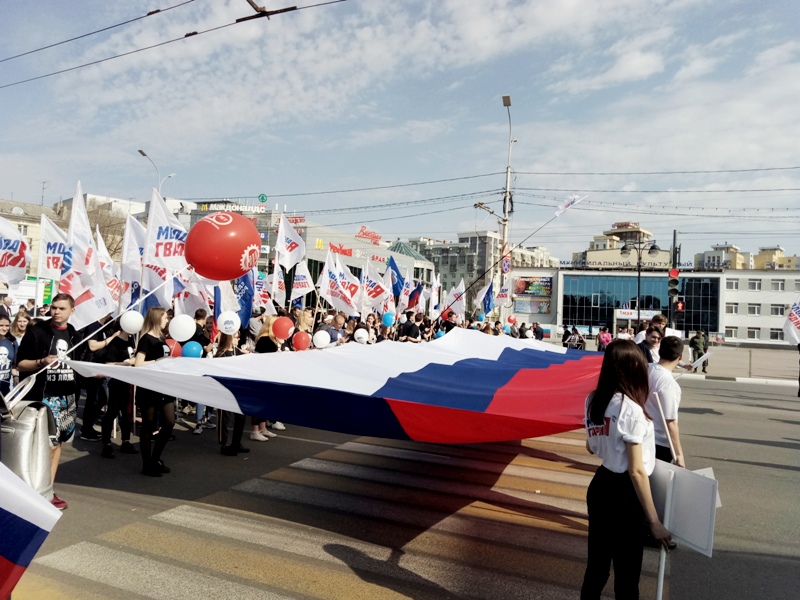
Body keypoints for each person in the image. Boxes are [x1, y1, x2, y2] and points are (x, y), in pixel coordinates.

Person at [581, 340, 672, 599]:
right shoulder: (630, 409)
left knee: (597, 567)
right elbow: (636, 471)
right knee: (627, 573)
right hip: (625, 494)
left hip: (601, 486)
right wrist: (654, 522)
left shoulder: (592, 399)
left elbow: (590, 446)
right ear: (632, 368)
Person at [16, 293, 80, 509]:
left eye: (61, 308)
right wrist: (42, 361)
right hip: (44, 397)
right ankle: (37, 492)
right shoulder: (37, 332)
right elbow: (21, 364)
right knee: (49, 446)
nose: (56, 312)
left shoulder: (73, 334)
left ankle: (48, 490)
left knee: (58, 443)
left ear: (72, 310)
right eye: (54, 308)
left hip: (68, 397)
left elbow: (80, 363)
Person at [134, 307, 175, 477]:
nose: (167, 321)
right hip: (149, 388)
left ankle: (155, 459)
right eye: (165, 318)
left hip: (164, 386)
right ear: (158, 318)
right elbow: (138, 363)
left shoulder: (162, 337)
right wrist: (157, 362)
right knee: (148, 426)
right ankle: (147, 465)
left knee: (170, 422)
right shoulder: (146, 339)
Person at [645, 336, 686, 467]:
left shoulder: (645, 368)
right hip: (659, 442)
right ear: (680, 357)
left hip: (641, 435)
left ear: (660, 351)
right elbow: (671, 422)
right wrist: (679, 454)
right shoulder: (669, 384)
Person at [100, 320, 138, 459]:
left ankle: (126, 441)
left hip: (128, 382)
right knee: (112, 413)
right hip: (116, 383)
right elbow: (109, 364)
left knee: (127, 414)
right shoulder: (115, 343)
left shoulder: (131, 340)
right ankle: (106, 443)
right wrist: (127, 363)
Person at [215, 332, 250, 456]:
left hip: (237, 390)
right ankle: (223, 444)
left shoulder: (238, 352)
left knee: (241, 416)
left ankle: (236, 442)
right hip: (225, 390)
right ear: (229, 338)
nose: (238, 339)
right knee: (224, 418)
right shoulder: (221, 354)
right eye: (236, 337)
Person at [0, 315, 18, 397]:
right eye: (1, 325)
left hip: (5, 391)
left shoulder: (12, 342)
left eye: (7, 326)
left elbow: (13, 365)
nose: (4, 328)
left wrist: (15, 376)